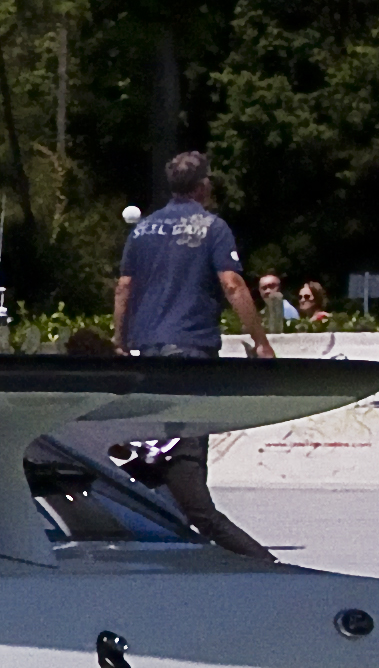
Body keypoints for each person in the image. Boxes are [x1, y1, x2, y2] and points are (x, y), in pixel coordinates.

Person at [109, 151, 274, 559]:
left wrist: (119, 340)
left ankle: (174, 540)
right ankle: (256, 560)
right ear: (203, 186)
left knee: (151, 457)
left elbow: (124, 289)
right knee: (186, 465)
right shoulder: (211, 227)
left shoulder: (142, 230)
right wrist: (261, 342)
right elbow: (233, 285)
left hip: (147, 357)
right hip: (191, 358)